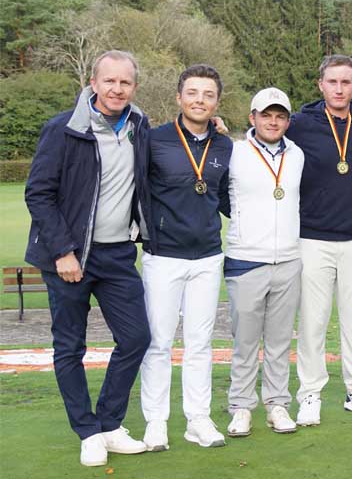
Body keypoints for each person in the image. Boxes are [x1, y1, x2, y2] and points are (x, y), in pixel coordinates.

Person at [24, 50, 152, 467]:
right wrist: (63, 251)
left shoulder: (139, 125)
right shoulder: (62, 129)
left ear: (134, 86)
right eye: (110, 81)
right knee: (70, 347)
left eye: (125, 83)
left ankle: (110, 423)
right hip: (69, 257)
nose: (118, 89)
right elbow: (38, 194)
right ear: (93, 83)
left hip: (117, 254)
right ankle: (87, 431)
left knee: (136, 338)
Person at [286, 55, 352, 424]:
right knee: (313, 320)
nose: (339, 89)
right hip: (312, 239)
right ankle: (310, 393)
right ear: (320, 85)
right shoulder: (299, 124)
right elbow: (262, 132)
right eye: (333, 82)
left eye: (346, 82)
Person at [139, 65, 233, 450]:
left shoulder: (225, 145)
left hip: (208, 256)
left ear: (216, 102)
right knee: (159, 342)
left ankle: (198, 419)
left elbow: (228, 198)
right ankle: (156, 422)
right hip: (163, 256)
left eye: (208, 94)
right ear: (179, 97)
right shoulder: (154, 139)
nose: (199, 100)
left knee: (199, 343)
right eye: (192, 93)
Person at [223, 88, 305, 437]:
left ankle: (277, 404)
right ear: (252, 118)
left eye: (280, 116)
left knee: (279, 340)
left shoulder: (297, 154)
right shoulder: (234, 151)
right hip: (246, 259)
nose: (273, 122)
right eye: (266, 115)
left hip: (288, 259)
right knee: (245, 341)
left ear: (288, 120)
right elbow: (219, 197)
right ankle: (241, 406)